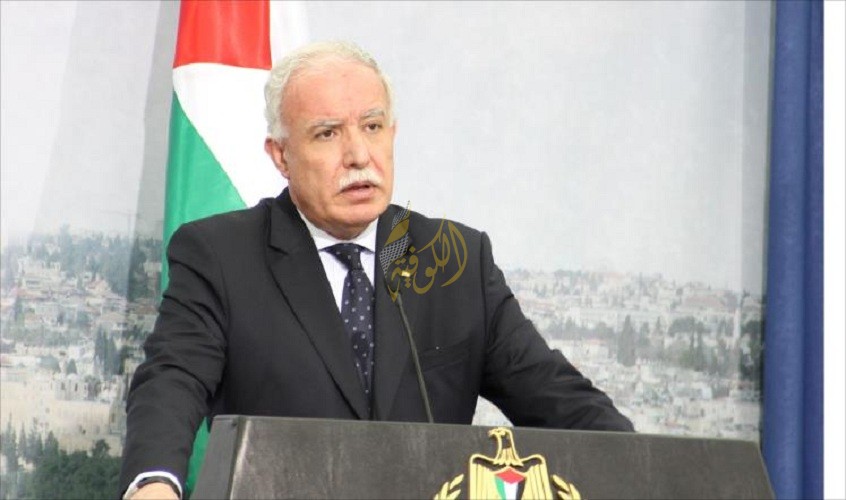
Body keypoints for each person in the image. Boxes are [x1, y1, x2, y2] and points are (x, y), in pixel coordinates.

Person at [120, 40, 633, 500]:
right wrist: (154, 482)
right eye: (327, 133)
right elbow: (172, 380)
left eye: (372, 126)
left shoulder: (456, 259)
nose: (358, 155)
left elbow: (557, 397)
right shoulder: (221, 255)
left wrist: (646, 470)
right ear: (281, 156)